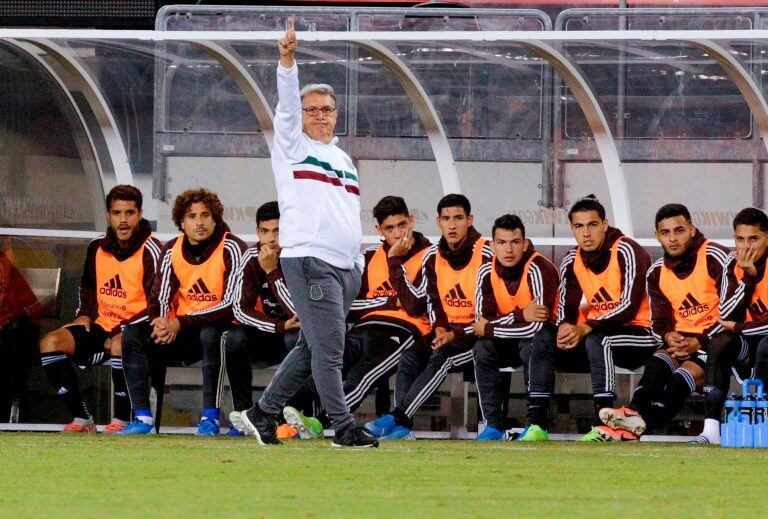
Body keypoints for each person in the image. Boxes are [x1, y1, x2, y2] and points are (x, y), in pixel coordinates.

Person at [230, 20, 377, 448]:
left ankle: (263, 412)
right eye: (310, 109)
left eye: (325, 109)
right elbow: (286, 106)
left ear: (336, 115)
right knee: (330, 349)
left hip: (346, 266)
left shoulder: (344, 159)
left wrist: (357, 260)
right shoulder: (292, 146)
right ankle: (343, 426)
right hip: (310, 261)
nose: (318, 115)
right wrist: (288, 61)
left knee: (314, 348)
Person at [282, 196, 432, 438]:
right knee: (329, 362)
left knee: (360, 376)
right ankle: (285, 413)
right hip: (363, 327)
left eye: (402, 225)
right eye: (389, 228)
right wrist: (386, 301)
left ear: (411, 221)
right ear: (379, 230)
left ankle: (321, 423)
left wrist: (394, 260)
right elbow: (347, 305)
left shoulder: (430, 256)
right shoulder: (370, 256)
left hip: (403, 330)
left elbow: (415, 305)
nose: (397, 233)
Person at [600, 203, 738, 443]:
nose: (672, 238)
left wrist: (700, 340)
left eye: (679, 230)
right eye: (666, 232)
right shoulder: (656, 272)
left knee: (680, 377)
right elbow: (659, 321)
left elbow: (731, 310)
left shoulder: (715, 257)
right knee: (658, 363)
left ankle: (633, 426)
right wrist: (666, 335)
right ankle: (631, 414)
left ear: (692, 229)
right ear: (657, 236)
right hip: (682, 341)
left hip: (718, 340)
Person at [119, 188, 246, 435]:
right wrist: (160, 322)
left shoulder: (232, 247)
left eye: (205, 215)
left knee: (211, 334)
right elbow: (159, 295)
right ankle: (143, 417)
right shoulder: (171, 249)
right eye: (191, 216)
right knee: (133, 334)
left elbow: (231, 304)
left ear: (215, 218)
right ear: (181, 223)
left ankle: (210, 418)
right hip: (184, 330)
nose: (199, 222)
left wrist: (179, 322)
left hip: (223, 328)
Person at [365, 194, 492, 440]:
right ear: (438, 222)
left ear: (470, 220)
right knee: (411, 355)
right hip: (446, 333)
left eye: (458, 218)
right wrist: (440, 329)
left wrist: (455, 333)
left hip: (476, 336)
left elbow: (490, 306)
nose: (452, 225)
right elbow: (428, 300)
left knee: (441, 358)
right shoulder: (433, 256)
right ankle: (403, 428)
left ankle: (398, 418)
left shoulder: (486, 251)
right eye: (446, 219)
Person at [39, 185, 161, 433]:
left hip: (139, 331)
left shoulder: (152, 249)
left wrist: (122, 330)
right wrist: (84, 314)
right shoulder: (97, 247)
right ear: (108, 215)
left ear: (139, 214)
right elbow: (87, 287)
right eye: (117, 213)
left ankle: (124, 421)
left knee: (119, 344)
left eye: (129, 213)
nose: (123, 220)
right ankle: (82, 419)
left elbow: (158, 303)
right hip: (101, 326)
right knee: (50, 342)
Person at [540, 194, 656, 442]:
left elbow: (629, 306)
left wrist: (585, 327)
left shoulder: (627, 250)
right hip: (598, 333)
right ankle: (536, 423)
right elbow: (566, 305)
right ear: (572, 229)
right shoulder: (572, 258)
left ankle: (602, 423)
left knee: (599, 340)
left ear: (605, 224)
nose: (586, 233)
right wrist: (564, 328)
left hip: (641, 334)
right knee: (541, 337)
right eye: (579, 226)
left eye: (592, 225)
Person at [472, 214, 559, 441]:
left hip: (548, 342)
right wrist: (520, 315)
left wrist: (491, 327)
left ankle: (536, 425)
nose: (508, 249)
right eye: (501, 242)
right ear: (492, 246)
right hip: (509, 339)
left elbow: (537, 324)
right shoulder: (485, 271)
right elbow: (482, 320)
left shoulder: (539, 267)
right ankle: (493, 426)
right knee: (482, 348)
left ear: (525, 244)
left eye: (515, 242)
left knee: (535, 340)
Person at [227, 202, 302, 437]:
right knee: (235, 338)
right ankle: (243, 415)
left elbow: (297, 313)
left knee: (297, 338)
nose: (270, 238)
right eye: (264, 231)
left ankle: (290, 419)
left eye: (277, 230)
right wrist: (277, 326)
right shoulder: (250, 256)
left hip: (293, 334)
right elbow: (239, 309)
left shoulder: (299, 256)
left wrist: (272, 272)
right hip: (269, 332)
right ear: (258, 231)